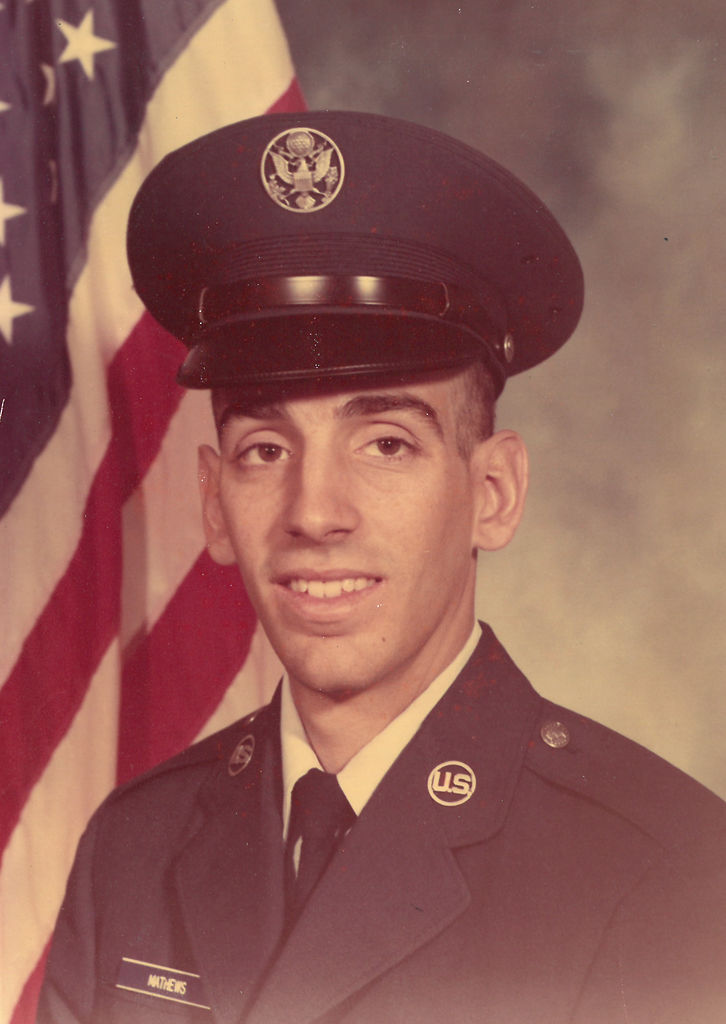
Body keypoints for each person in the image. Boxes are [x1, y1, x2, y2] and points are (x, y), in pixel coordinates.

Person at [37, 112, 726, 1024]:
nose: (314, 513)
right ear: (213, 502)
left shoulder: (666, 872)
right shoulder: (130, 853)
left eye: (387, 443)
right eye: (264, 450)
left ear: (492, 493)